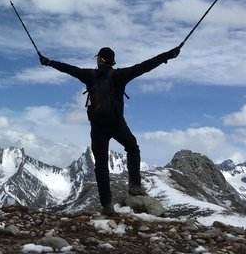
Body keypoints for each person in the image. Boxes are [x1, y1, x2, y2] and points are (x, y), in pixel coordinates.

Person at [39, 45, 180, 216]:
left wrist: (49, 62)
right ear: (112, 61)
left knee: (101, 165)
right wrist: (168, 55)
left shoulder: (89, 75)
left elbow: (69, 69)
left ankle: (107, 205)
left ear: (99, 59)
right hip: (116, 123)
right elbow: (145, 66)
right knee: (132, 147)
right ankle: (134, 186)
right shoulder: (120, 75)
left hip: (97, 126)